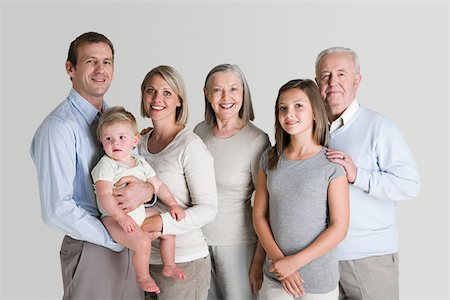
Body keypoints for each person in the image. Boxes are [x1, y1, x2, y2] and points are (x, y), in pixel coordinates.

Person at [30, 32, 158, 300]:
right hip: (93, 245)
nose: (101, 70)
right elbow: (56, 209)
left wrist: (147, 192)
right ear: (70, 68)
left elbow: (136, 171)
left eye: (107, 62)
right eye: (91, 61)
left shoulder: (117, 122)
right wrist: (114, 237)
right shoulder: (59, 128)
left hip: (130, 245)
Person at [314, 47, 421, 300]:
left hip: (369, 258)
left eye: (342, 74)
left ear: (357, 81)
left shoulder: (379, 127)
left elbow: (410, 184)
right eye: (326, 76)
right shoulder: (311, 130)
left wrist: (358, 175)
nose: (333, 83)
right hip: (322, 259)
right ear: (317, 83)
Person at [253, 79, 350, 299]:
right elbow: (259, 215)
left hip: (317, 280)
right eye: (283, 108)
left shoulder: (331, 164)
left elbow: (339, 227)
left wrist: (293, 263)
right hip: (276, 276)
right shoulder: (269, 158)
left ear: (315, 112)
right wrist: (280, 264)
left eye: (298, 106)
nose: (289, 114)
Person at [135, 65, 218, 300]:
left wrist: (161, 224)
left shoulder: (190, 146)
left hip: (183, 262)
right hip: (141, 262)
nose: (157, 98)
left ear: (179, 101)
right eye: (150, 91)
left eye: (167, 92)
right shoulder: (137, 142)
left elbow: (209, 209)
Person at [193, 63, 270, 299]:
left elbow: (266, 206)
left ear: (243, 93)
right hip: (196, 241)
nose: (226, 97)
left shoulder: (256, 140)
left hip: (238, 243)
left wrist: (258, 259)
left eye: (234, 89)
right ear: (206, 93)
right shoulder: (199, 132)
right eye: (217, 90)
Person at [91, 106, 187, 293]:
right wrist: (120, 217)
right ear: (101, 142)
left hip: (138, 212)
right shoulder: (106, 165)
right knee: (142, 243)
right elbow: (104, 195)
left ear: (135, 140)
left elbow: (158, 186)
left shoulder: (141, 163)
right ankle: (143, 277)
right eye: (108, 138)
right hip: (112, 218)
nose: (115, 143)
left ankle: (169, 265)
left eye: (121, 137)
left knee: (168, 225)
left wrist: (173, 204)